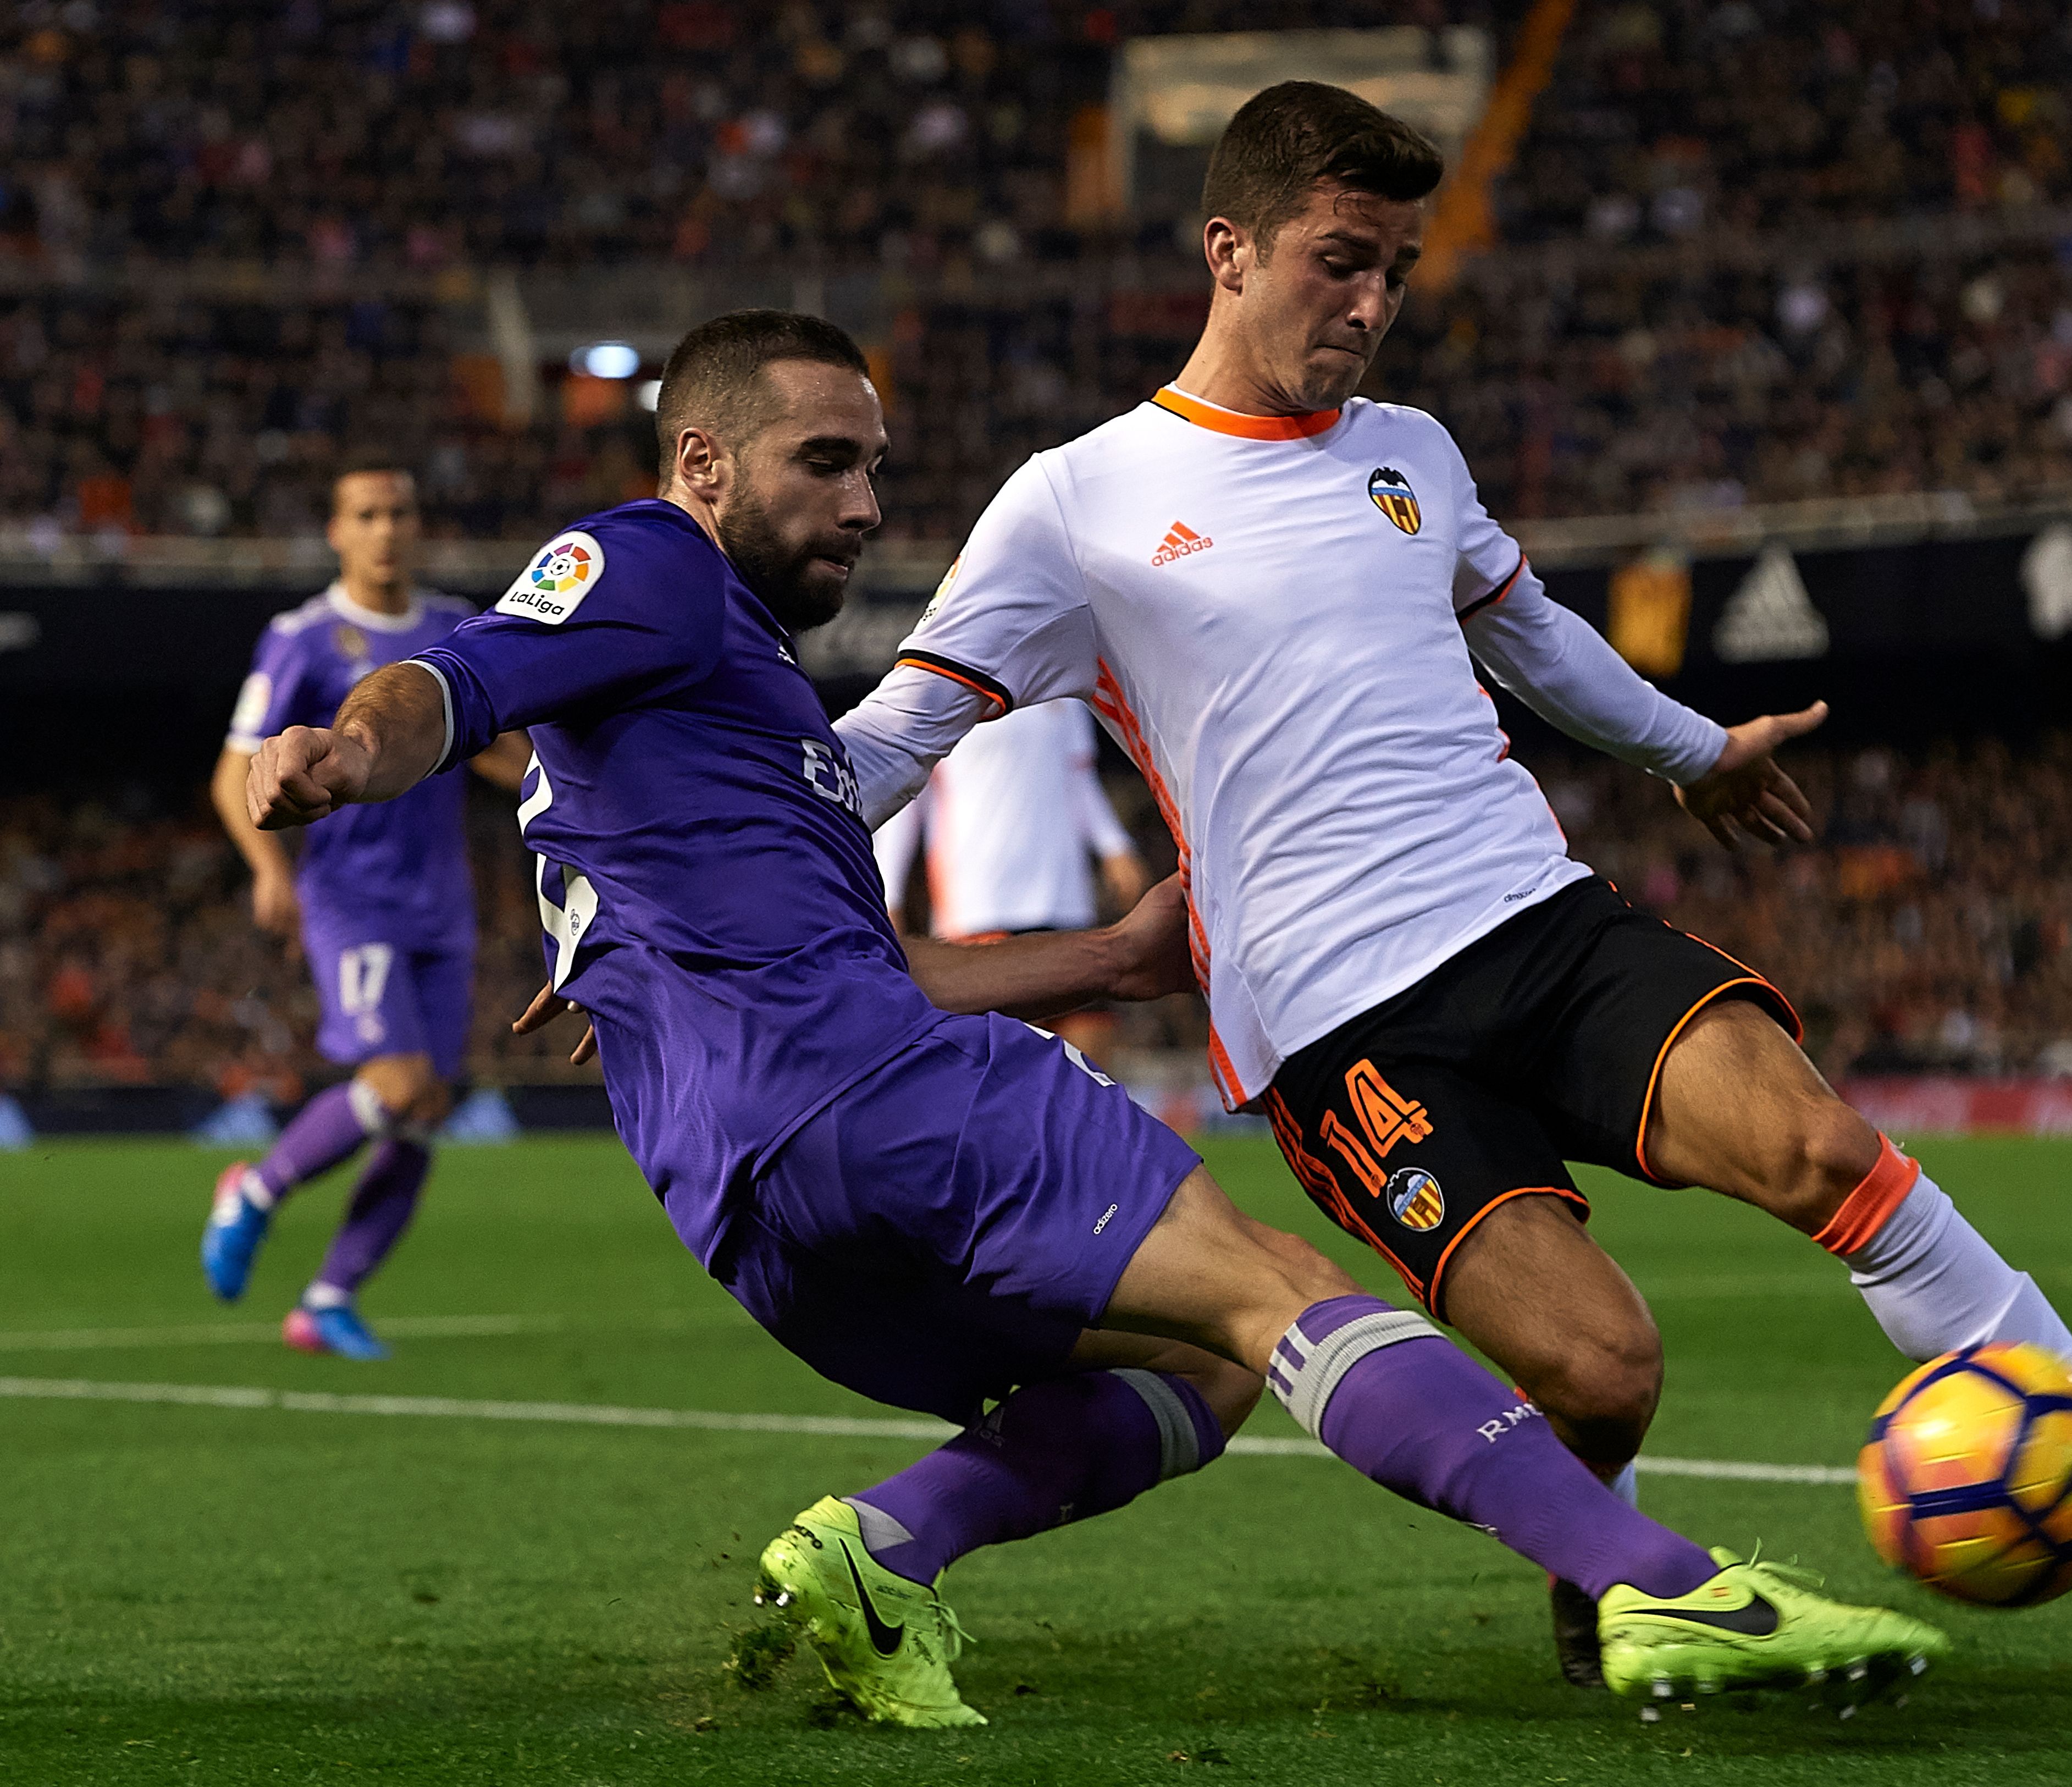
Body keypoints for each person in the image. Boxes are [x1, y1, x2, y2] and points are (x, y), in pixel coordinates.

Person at [833, 81, 2072, 1680]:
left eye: (1398, 275)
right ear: (1230, 249)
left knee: (1826, 1149)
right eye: (1339, 261)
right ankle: (1614, 1578)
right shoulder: (1076, 499)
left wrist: (1693, 750)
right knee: (1603, 1369)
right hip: (1341, 1023)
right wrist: (668, 873)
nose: (1369, 307)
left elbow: (1533, 630)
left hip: (1536, 917)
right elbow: (894, 736)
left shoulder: (1411, 455)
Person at [246, 309, 1946, 1729]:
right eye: (820, 462)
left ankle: (884, 1549)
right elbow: (451, 677)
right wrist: (348, 749)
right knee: (1285, 1292)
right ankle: (1660, 1590)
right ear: (702, 465)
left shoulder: (710, 734)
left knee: (1191, 1376)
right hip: (870, 1098)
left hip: (750, 1211)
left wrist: (1109, 965)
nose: (860, 503)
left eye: (876, 468)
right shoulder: (653, 566)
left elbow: (854, 955)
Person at [202, 462, 531, 1358]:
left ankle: (329, 1297)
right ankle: (257, 1190)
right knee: (394, 1086)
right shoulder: (302, 639)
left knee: (426, 1107)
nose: (388, 528)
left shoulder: (450, 630)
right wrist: (271, 870)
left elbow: (495, 751)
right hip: (353, 896)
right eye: (368, 514)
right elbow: (235, 777)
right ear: (338, 532)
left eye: (401, 512)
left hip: (442, 900)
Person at [873, 697, 1150, 1068]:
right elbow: (906, 803)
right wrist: (888, 895)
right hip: (980, 905)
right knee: (1005, 1076)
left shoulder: (1063, 691)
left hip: (1066, 900)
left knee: (1093, 1060)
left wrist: (1115, 847)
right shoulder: (937, 690)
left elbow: (1078, 778)